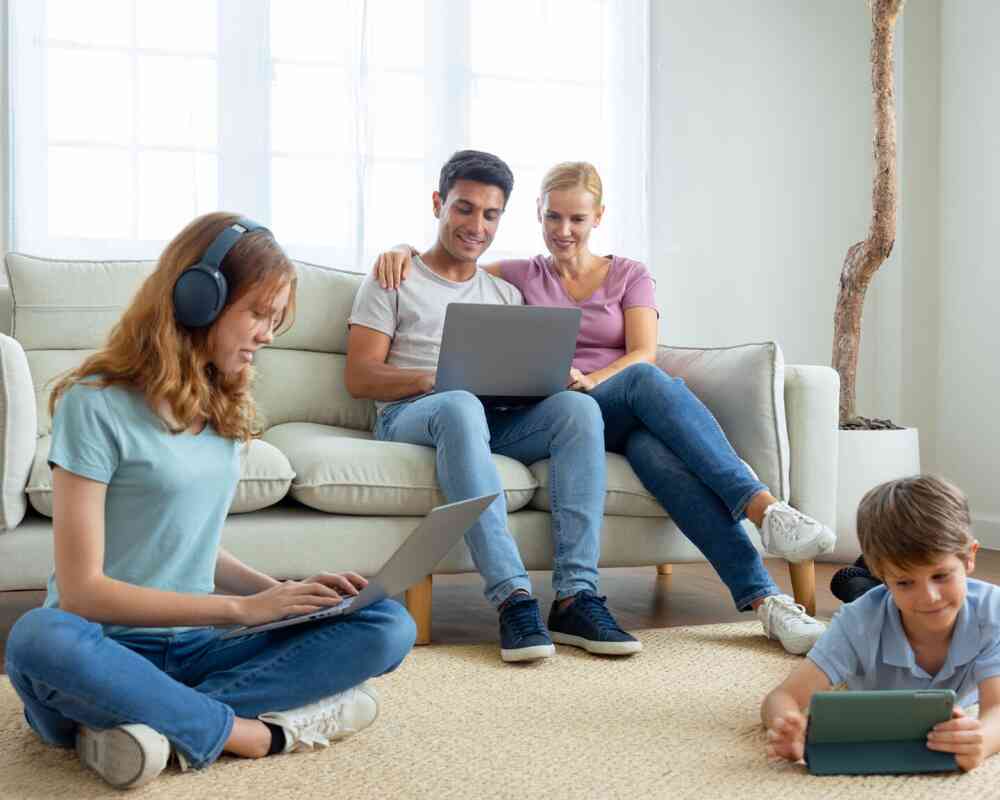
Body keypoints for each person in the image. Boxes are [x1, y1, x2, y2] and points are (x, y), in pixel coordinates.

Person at [4, 213, 416, 790]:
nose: (269, 335)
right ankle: (257, 733)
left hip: (195, 648)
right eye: (259, 314)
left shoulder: (221, 404)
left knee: (386, 623)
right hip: (100, 650)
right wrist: (240, 611)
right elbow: (81, 593)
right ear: (198, 299)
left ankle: (150, 725)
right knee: (37, 638)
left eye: (276, 320)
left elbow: (190, 543)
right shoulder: (92, 404)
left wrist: (275, 593)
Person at [372, 161, 834, 654]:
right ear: (538, 216)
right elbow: (451, 270)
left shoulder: (629, 275)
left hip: (620, 406)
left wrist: (590, 380)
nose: (564, 231)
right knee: (638, 385)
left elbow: (644, 352)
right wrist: (402, 250)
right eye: (553, 218)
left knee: (656, 438)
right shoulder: (520, 277)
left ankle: (767, 600)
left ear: (598, 218)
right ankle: (763, 510)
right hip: (570, 413)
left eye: (577, 219)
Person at [346, 150, 641, 664]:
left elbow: (519, 379)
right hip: (411, 415)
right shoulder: (393, 277)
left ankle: (576, 596)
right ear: (438, 204)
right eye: (463, 208)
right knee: (459, 401)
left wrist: (552, 381)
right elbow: (359, 377)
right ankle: (513, 597)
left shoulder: (504, 294)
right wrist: (435, 380)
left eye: (490, 214)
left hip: (489, 417)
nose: (476, 225)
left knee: (578, 411)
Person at [762, 475, 1000, 773]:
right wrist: (788, 728)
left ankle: (862, 581)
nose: (930, 597)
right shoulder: (858, 621)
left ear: (969, 559)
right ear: (885, 577)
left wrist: (983, 741)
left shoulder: (993, 611)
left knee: (880, 599)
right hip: (875, 606)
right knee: (864, 603)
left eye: (941, 576)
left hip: (885, 599)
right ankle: (862, 583)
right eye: (904, 581)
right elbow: (781, 697)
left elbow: (996, 710)